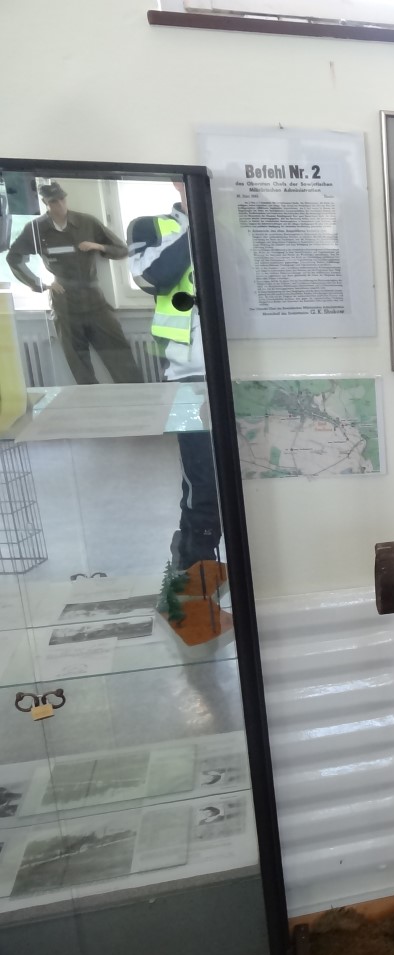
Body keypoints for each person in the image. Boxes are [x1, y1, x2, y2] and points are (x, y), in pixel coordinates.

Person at [128, 181, 228, 645]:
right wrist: (195, 223)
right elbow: (154, 275)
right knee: (202, 487)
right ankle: (187, 596)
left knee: (241, 484)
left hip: (236, 375)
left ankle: (206, 577)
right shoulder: (149, 227)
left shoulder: (233, 225)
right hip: (187, 378)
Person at [5, 182, 143, 385]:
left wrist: (98, 246)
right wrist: (39, 284)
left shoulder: (86, 222)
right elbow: (13, 258)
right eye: (54, 201)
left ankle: (137, 396)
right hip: (64, 301)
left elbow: (122, 249)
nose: (60, 205)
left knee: (119, 355)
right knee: (78, 362)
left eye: (62, 199)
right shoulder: (36, 228)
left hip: (93, 298)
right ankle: (92, 402)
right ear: (45, 202)